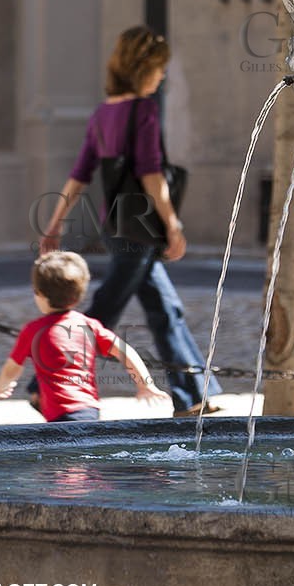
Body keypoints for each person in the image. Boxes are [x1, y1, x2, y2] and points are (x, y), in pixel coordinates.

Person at [38, 26, 223, 417]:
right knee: (105, 309)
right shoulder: (143, 111)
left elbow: (79, 175)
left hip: (117, 227)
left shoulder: (103, 114)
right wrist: (173, 225)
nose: (162, 75)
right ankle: (44, 383)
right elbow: (152, 174)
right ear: (142, 68)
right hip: (139, 230)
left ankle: (191, 397)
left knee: (165, 310)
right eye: (158, 67)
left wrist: (55, 224)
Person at [0, 251, 168, 421]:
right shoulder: (88, 325)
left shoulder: (32, 330)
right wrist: (146, 384)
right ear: (79, 295)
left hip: (60, 416)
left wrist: (5, 383)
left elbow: (13, 366)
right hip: (89, 410)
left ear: (39, 294)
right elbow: (125, 350)